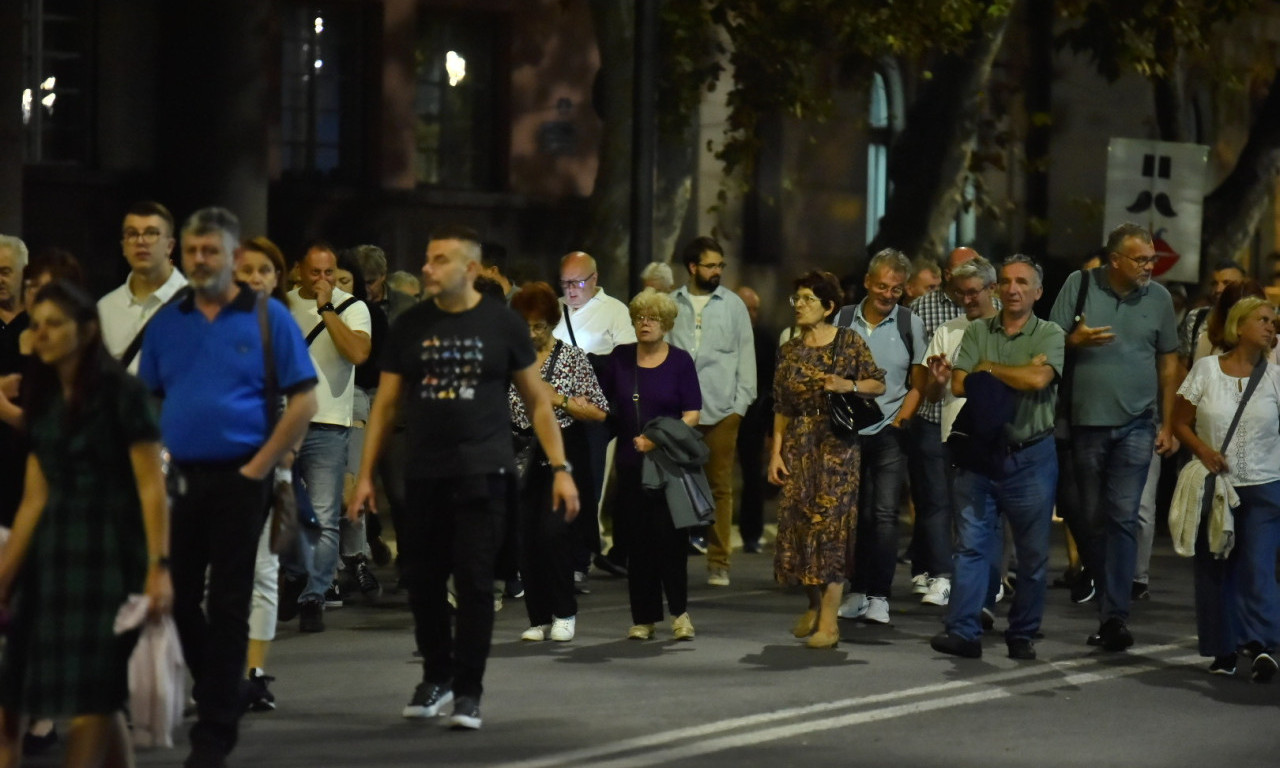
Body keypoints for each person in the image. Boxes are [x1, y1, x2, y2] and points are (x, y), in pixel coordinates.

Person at [347, 224, 579, 731]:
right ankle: (436, 676)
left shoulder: (503, 325)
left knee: (474, 583)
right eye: (426, 259)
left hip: (486, 473)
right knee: (424, 582)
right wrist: (364, 475)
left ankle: (469, 690)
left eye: (439, 260)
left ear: (470, 269)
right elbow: (386, 405)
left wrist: (561, 469)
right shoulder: (411, 325)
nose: (427, 268)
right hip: (425, 473)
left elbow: (539, 403)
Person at [138, 207, 318, 768]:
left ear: (232, 256)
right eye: (191, 251)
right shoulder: (169, 321)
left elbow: (305, 401)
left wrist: (259, 467)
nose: (199, 260)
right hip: (182, 478)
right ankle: (223, 687)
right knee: (180, 596)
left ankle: (214, 731)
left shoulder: (268, 319)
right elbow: (150, 399)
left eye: (210, 251)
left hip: (244, 477)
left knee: (231, 597)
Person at [0, 280, 173, 767]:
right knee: (77, 695)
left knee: (92, 696)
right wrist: (7, 572)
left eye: (55, 324)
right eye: (37, 326)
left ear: (88, 330)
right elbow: (36, 495)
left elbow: (149, 486)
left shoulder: (122, 392)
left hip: (110, 555)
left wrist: (158, 567)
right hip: (52, 553)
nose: (43, 334)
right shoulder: (44, 394)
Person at [1049, 222, 1180, 652]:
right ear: (1115, 260)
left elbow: (1168, 363)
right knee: (1089, 518)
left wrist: (1167, 422)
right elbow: (1049, 344)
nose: (1149, 266)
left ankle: (1114, 614)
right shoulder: (1080, 284)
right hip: (1085, 424)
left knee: (1123, 515)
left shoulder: (1159, 298)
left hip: (1138, 424)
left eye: (1151, 259)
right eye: (1141, 259)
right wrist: (1075, 340)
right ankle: (1107, 597)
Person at [929, 256, 1064, 661]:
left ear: (1038, 292)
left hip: (1031, 455)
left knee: (1032, 553)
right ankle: (964, 631)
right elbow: (959, 382)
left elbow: (1039, 379)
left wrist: (988, 369)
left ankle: (1022, 632)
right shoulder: (977, 332)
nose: (1012, 288)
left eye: (1022, 282)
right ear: (996, 289)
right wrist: (1008, 369)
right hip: (980, 452)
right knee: (970, 546)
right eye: (1005, 282)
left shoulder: (1051, 334)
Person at [769, 271, 885, 648]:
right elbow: (781, 406)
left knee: (831, 530)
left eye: (807, 299)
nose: (799, 305)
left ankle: (830, 623)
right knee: (799, 528)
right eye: (796, 299)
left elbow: (877, 383)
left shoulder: (848, 342)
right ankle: (814, 604)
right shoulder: (788, 349)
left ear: (828, 306)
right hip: (798, 445)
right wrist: (775, 452)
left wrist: (846, 385)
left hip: (836, 446)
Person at [1173, 296, 1280, 680]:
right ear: (1239, 325)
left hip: (1265, 486)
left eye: (1274, 321)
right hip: (1216, 485)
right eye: (1263, 320)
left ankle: (1263, 644)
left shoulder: (1275, 377)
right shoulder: (1205, 371)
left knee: (1259, 566)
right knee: (1216, 566)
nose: (1271, 327)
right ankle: (1223, 647)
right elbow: (1180, 421)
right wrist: (1203, 450)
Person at [598, 288, 702, 641]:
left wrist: (659, 438)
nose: (645, 324)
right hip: (630, 464)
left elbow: (692, 414)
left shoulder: (680, 361)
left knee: (671, 543)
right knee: (637, 544)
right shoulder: (621, 358)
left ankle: (680, 614)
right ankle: (643, 618)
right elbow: (603, 402)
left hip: (669, 466)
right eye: (641, 317)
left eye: (653, 318)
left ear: (667, 324)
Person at [508, 282, 609, 643]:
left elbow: (599, 410)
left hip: (563, 450)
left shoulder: (572, 358)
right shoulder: (512, 360)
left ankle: (564, 612)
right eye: (526, 325)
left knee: (555, 534)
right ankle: (538, 617)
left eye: (539, 326)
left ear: (551, 323)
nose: (533, 333)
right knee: (526, 538)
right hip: (519, 453)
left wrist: (560, 399)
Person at [282, 243, 372, 632]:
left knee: (322, 513)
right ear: (299, 271)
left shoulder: (351, 307)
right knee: (281, 509)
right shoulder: (279, 304)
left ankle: (313, 596)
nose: (323, 280)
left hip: (329, 422)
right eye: (315, 273)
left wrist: (326, 309)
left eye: (329, 273)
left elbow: (357, 353)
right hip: (283, 423)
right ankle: (293, 573)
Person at [835, 248, 925, 625]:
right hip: (847, 432)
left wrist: (899, 422)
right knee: (852, 516)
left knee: (884, 515)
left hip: (889, 430)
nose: (889, 295)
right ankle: (856, 590)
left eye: (897, 289)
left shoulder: (909, 323)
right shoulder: (842, 319)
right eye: (882, 286)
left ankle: (879, 596)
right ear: (868, 283)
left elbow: (918, 383)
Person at [668, 236, 756, 587]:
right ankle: (671, 557)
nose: (717, 271)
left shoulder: (733, 305)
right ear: (693, 267)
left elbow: (745, 357)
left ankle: (719, 561)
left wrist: (739, 406)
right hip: (678, 411)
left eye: (720, 265)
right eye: (710, 265)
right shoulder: (671, 303)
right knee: (675, 486)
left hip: (721, 411)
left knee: (719, 486)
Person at [906, 248, 992, 606]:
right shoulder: (945, 329)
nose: (967, 298)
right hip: (949, 430)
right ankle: (942, 576)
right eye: (962, 291)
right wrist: (938, 381)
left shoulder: (1008, 325)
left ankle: (990, 580)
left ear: (991, 289)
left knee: (985, 511)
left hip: (994, 432)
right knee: (941, 504)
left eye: (974, 291)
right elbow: (932, 390)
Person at [230, 236, 292, 713]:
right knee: (214, 574)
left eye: (264, 271)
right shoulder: (206, 326)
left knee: (263, 571)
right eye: (244, 271)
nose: (254, 279)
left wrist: (287, 458)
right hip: (212, 464)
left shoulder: (284, 327)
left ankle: (253, 673)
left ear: (276, 278)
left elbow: (298, 398)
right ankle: (219, 668)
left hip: (269, 463)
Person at [553, 251, 636, 587]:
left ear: (595, 279)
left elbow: (627, 360)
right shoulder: (555, 309)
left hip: (591, 416)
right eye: (566, 284)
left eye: (578, 283)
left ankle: (579, 556)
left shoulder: (614, 312)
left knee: (587, 483)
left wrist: (591, 364)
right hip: (554, 411)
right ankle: (557, 552)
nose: (572, 290)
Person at [97, 201, 189, 373]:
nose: (141, 241)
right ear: (124, 246)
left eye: (151, 233)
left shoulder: (195, 302)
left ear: (170, 246)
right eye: (132, 234)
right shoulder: (106, 307)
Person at [735, 285, 775, 553]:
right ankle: (701, 532)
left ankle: (752, 533)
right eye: (745, 307)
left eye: (754, 308)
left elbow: (772, 384)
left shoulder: (765, 339)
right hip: (723, 411)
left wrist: (770, 425)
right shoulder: (723, 336)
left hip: (754, 416)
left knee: (753, 476)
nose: (751, 313)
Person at [1178, 259, 1245, 369]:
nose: (1218, 289)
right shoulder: (1196, 318)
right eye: (1214, 283)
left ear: (1243, 285)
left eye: (1226, 283)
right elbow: (1183, 366)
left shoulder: (1258, 319)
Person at [356, 244, 416, 324]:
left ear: (383, 275)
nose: (365, 288)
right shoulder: (345, 305)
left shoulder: (407, 304)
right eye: (360, 282)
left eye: (370, 282)